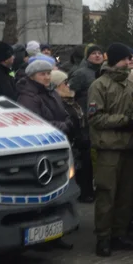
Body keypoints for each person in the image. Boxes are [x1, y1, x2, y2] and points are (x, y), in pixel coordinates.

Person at [87, 43, 133, 258]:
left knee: (125, 195)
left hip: (128, 145)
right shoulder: (99, 85)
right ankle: (103, 237)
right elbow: (95, 117)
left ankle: (120, 234)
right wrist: (125, 120)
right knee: (106, 194)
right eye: (127, 59)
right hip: (107, 147)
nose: (131, 63)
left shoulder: (129, 84)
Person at [52, 70, 93, 203]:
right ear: (56, 86)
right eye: (64, 83)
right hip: (71, 142)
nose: (68, 85)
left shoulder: (71, 100)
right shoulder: (57, 103)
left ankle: (86, 192)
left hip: (82, 142)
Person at [16, 60, 72, 132]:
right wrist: (64, 126)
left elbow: (62, 112)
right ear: (32, 77)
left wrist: (70, 120)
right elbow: (35, 124)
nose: (47, 77)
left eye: (49, 73)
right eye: (42, 74)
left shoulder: (52, 91)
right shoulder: (28, 97)